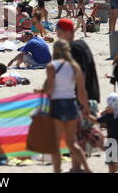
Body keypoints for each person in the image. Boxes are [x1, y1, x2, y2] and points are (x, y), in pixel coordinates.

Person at [36, 39, 91, 173]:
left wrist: (39, 92)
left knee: (55, 144)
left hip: (57, 104)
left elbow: (50, 89)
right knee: (72, 143)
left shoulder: (51, 66)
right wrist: (86, 109)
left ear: (54, 50)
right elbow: (81, 92)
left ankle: (57, 171)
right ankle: (88, 170)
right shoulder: (74, 66)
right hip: (71, 104)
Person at [88, 93, 118, 173]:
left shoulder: (108, 116)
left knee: (111, 164)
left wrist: (87, 115)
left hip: (111, 143)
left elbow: (96, 121)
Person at [56, 18, 100, 102]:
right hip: (91, 95)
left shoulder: (73, 49)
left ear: (68, 32)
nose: (58, 36)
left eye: (59, 33)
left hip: (81, 100)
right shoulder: (82, 44)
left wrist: (83, 104)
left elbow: (80, 77)